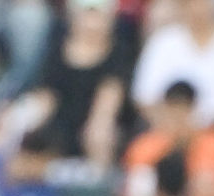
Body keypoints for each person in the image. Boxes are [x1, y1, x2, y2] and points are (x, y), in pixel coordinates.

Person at [22, 0, 133, 170]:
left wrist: (97, 129)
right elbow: (46, 94)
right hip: (57, 127)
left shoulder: (118, 54)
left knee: (101, 134)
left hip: (91, 129)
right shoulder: (56, 48)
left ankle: (96, 185)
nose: (91, 24)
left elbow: (108, 100)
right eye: (87, 15)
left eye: (97, 16)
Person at [131, 0, 214, 129]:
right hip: (166, 129)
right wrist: (172, 126)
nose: (198, 9)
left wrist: (203, 128)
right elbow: (144, 97)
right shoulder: (164, 40)